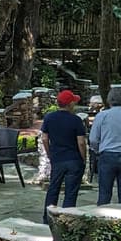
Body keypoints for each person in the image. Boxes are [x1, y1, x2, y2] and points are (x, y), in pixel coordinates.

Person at [39, 90, 89, 222]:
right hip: (74, 159)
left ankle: (48, 218)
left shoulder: (49, 118)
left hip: (57, 159)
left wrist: (50, 154)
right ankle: (67, 220)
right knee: (71, 192)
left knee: (53, 189)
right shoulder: (76, 120)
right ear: (70, 104)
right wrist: (83, 158)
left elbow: (44, 138)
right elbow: (81, 142)